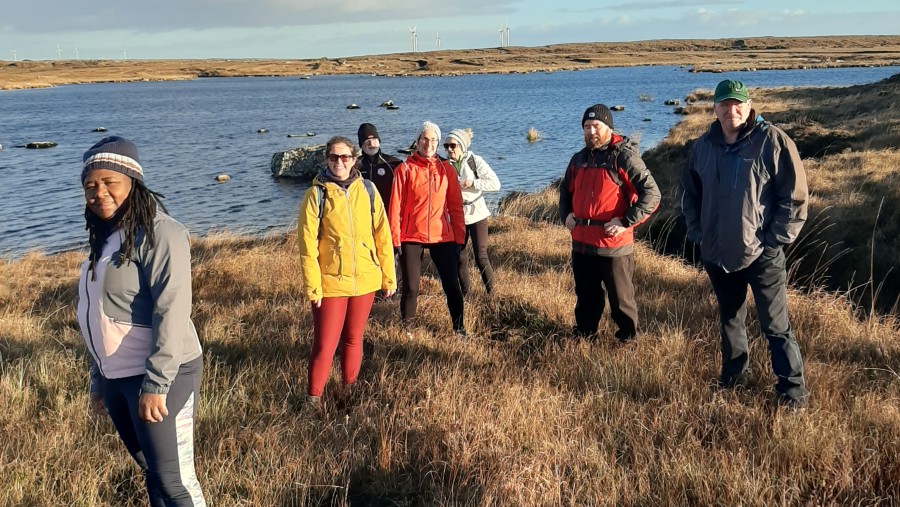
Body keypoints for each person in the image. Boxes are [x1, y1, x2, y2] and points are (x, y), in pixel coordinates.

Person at [76, 136, 206, 506]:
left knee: (173, 480)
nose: (99, 192)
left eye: (109, 182)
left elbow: (173, 310)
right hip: (117, 379)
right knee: (151, 472)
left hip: (163, 374)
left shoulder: (161, 232)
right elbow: (94, 314)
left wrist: (157, 383)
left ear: (132, 179)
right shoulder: (103, 239)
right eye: (90, 185)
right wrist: (98, 382)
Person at [681, 79, 810, 408]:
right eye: (724, 104)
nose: (731, 110)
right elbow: (690, 196)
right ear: (714, 109)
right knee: (730, 320)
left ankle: (792, 392)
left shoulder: (772, 141)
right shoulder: (703, 147)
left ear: (750, 105)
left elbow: (793, 200)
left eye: (737, 103)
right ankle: (734, 378)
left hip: (762, 256)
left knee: (776, 326)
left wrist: (772, 243)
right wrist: (699, 234)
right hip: (717, 254)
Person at [297, 136, 396, 402]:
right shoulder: (316, 195)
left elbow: (382, 235)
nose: (338, 162)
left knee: (353, 339)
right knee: (325, 347)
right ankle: (312, 402)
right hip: (330, 283)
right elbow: (307, 247)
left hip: (365, 279)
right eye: (333, 157)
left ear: (354, 159)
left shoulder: (369, 190)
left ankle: (347, 391)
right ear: (326, 159)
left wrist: (388, 277)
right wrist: (313, 286)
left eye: (344, 157)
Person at [558, 104, 661, 343]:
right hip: (582, 244)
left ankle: (628, 342)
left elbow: (652, 194)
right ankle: (584, 338)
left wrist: (626, 221)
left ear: (608, 127)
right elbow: (565, 190)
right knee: (585, 298)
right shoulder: (579, 159)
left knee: (621, 301)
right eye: (587, 126)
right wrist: (566, 215)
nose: (591, 131)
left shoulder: (623, 156)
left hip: (614, 246)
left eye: (596, 126)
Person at [389, 121, 467, 335]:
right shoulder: (404, 169)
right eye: (425, 139)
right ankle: (407, 331)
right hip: (411, 235)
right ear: (417, 141)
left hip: (442, 236)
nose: (429, 143)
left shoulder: (447, 170)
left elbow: (455, 207)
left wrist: (459, 239)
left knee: (452, 285)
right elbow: (394, 208)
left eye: (433, 140)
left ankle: (459, 330)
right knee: (411, 288)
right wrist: (395, 241)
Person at [443, 128, 501, 295]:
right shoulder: (444, 165)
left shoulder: (474, 161)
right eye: (446, 146)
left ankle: (493, 295)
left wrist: (473, 183)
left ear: (462, 146)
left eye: (453, 146)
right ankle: (467, 296)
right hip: (456, 216)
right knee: (460, 258)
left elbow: (495, 184)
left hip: (478, 214)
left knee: (481, 257)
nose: (449, 150)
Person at [357, 122, 402, 210]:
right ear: (361, 144)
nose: (371, 143)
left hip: (387, 211)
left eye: (374, 139)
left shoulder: (394, 163)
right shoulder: (354, 164)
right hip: (363, 211)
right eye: (367, 140)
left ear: (379, 141)